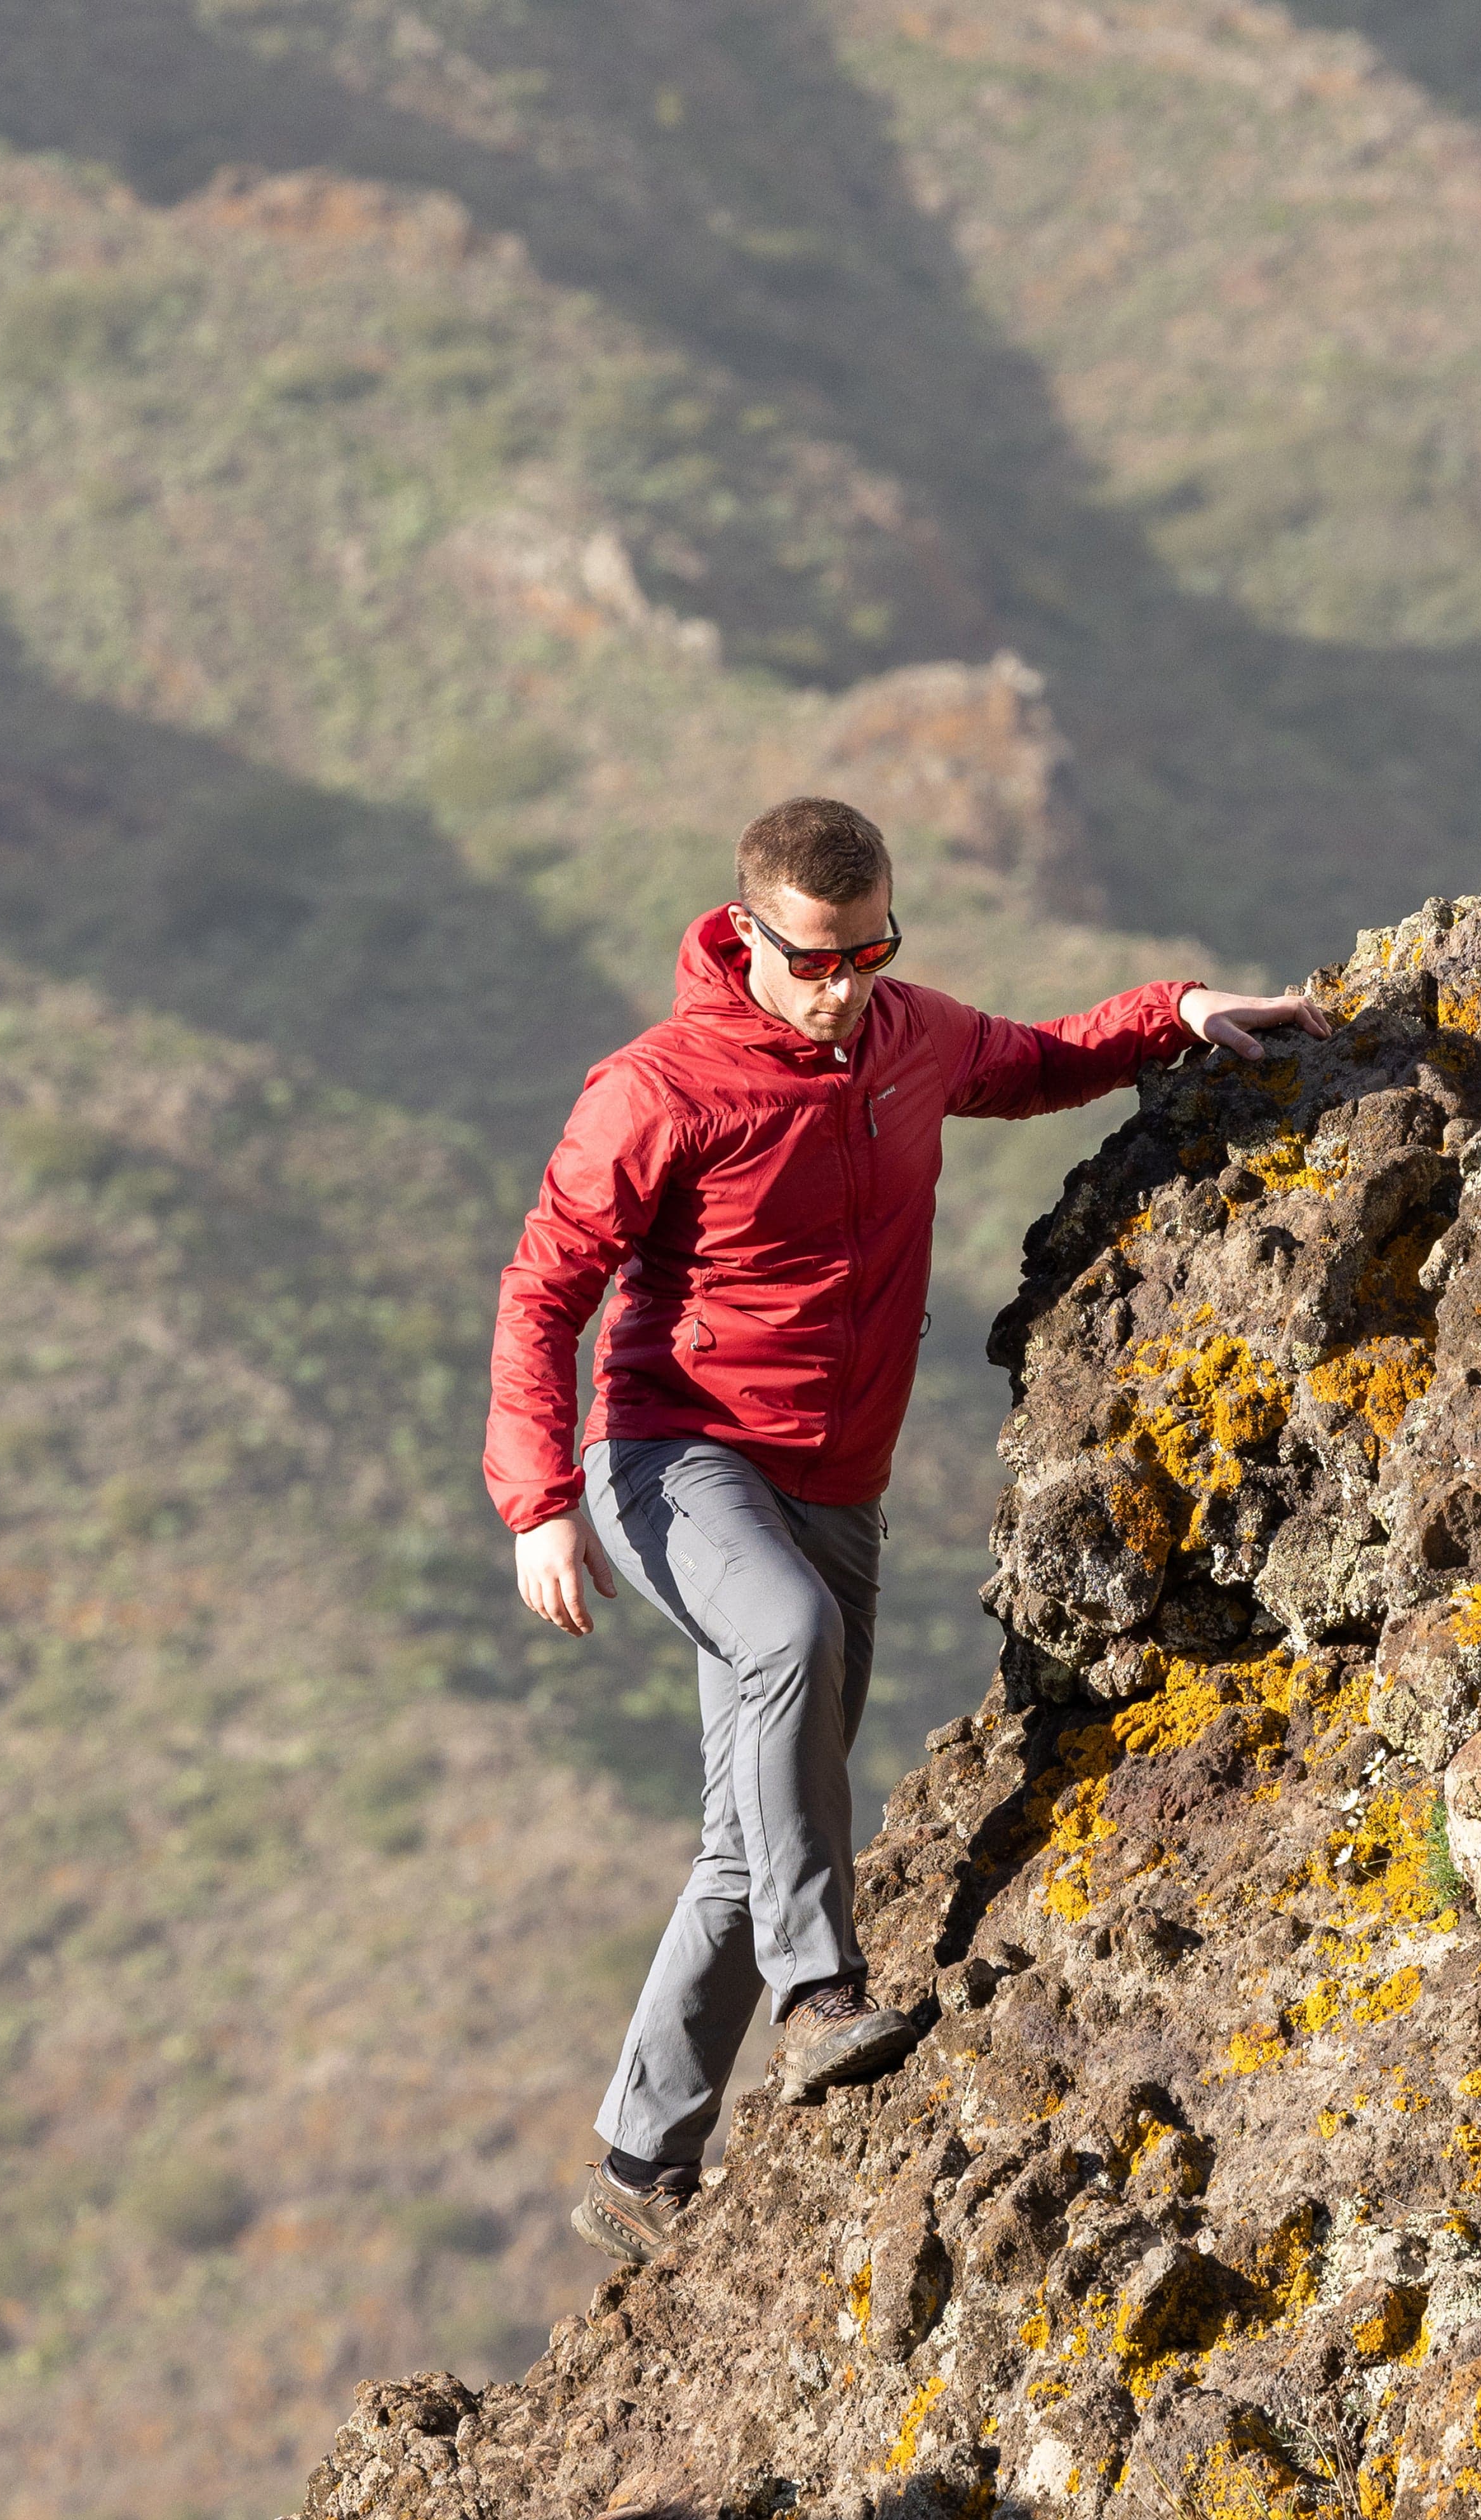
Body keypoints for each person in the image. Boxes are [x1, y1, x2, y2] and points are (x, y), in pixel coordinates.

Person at [485, 797, 1327, 2267]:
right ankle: (819, 2001)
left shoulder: (906, 1036)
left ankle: (637, 2162)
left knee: (752, 1829)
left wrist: (1176, 1010)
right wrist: (538, 1500)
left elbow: (1040, 1057)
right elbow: (543, 1290)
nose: (841, 985)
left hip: (835, 1482)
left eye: (868, 951)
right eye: (812, 958)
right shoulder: (658, 1088)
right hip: (669, 1456)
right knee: (789, 1646)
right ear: (744, 931)